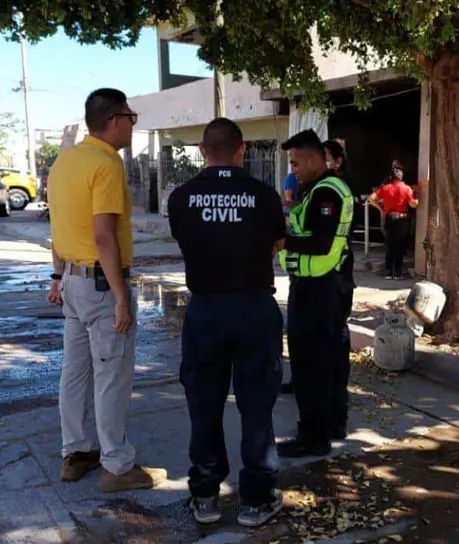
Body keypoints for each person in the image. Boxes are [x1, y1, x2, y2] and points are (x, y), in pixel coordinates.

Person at [167, 118, 287, 527]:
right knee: (257, 407)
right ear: (242, 150)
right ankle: (255, 499)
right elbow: (275, 245)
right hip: (253, 308)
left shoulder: (182, 198)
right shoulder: (265, 196)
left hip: (205, 311)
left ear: (203, 151)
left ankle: (204, 495)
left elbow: (185, 241)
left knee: (204, 405)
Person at [46, 88, 167, 493]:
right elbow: (102, 236)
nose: (133, 124)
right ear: (115, 120)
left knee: (75, 372)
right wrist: (120, 297)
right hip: (99, 285)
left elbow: (58, 227)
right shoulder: (106, 163)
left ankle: (76, 452)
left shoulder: (65, 162)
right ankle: (116, 465)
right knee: (112, 374)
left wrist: (57, 276)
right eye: (130, 117)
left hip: (73, 283)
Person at [277, 129, 355, 458]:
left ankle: (313, 436)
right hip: (327, 285)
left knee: (311, 364)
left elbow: (321, 242)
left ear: (312, 159)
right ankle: (332, 424)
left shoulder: (327, 193)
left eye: (295, 163)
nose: (292, 169)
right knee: (330, 361)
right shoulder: (319, 189)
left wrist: (283, 240)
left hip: (318, 288)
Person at [322, 138, 356, 441]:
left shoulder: (331, 189)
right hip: (336, 278)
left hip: (335, 280)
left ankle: (335, 420)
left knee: (332, 347)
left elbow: (321, 239)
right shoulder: (329, 186)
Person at [369, 160, 421, 279]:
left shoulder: (385, 188)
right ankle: (397, 273)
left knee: (390, 245)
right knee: (400, 246)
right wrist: (417, 196)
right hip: (402, 220)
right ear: (401, 177)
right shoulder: (407, 189)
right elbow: (413, 204)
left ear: (391, 177)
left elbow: (371, 198)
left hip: (389, 218)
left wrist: (380, 209)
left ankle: (388, 272)